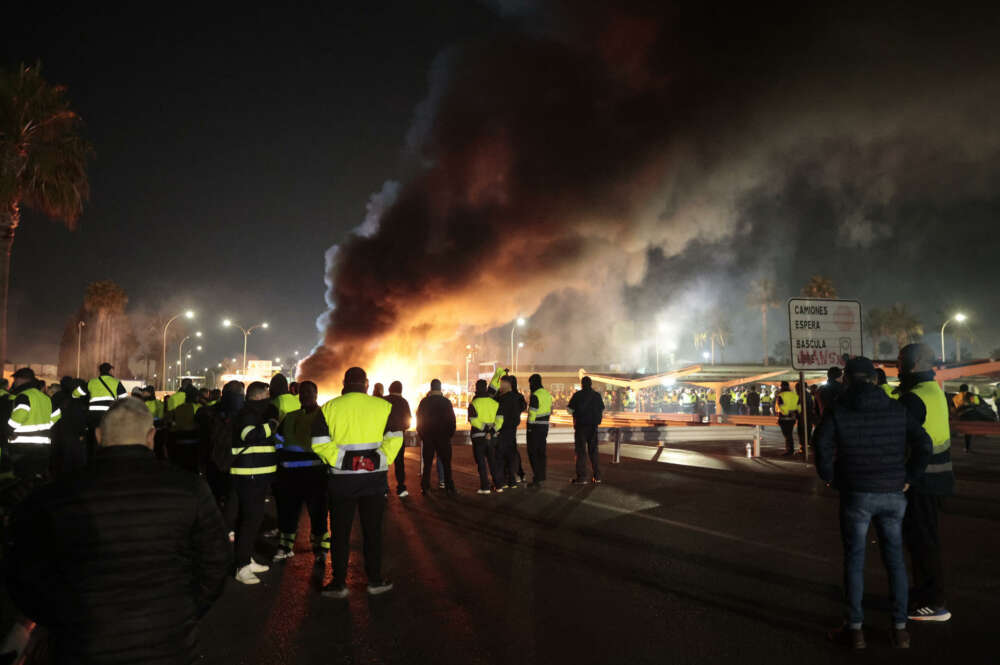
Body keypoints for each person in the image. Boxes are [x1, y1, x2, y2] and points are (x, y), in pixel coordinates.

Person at [6, 397, 229, 664]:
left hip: (85, 645)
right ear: (151, 436)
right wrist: (185, 609)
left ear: (99, 436)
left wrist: (63, 618)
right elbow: (217, 560)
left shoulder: (59, 494)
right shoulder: (190, 489)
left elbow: (24, 572)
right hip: (171, 644)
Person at [814, 357, 932, 650]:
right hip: (893, 493)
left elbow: (821, 444)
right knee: (895, 561)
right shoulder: (897, 408)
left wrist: (829, 477)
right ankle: (900, 630)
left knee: (854, 561)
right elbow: (924, 444)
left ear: (847, 379)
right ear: (874, 379)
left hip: (856, 493)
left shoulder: (838, 410)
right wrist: (909, 477)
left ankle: (855, 630)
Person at [311, 367, 402, 598]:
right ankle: (375, 580)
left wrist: (348, 462)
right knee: (372, 532)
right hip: (373, 481)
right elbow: (395, 438)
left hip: (341, 483)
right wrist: (371, 461)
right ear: (367, 383)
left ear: (344, 382)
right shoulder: (383, 407)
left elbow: (319, 443)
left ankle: (338, 583)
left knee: (340, 533)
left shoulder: (329, 407)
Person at [896, 343, 955, 622]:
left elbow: (900, 441)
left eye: (902, 359)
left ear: (917, 362)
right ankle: (924, 595)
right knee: (925, 540)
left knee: (922, 542)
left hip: (919, 482)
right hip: (936, 479)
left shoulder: (914, 398)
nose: (898, 365)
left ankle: (933, 603)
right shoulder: (934, 391)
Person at [226, 381, 277, 584]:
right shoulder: (248, 413)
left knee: (249, 519)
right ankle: (242, 567)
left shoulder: (253, 412)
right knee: (251, 519)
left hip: (255, 473)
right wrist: (271, 425)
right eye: (266, 395)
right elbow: (249, 435)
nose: (268, 399)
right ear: (257, 397)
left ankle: (245, 558)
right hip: (250, 474)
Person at [273, 381, 330, 563]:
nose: (305, 395)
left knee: (318, 513)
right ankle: (285, 547)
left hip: (315, 475)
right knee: (287, 513)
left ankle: (321, 548)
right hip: (290, 476)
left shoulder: (324, 416)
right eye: (302, 392)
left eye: (309, 392)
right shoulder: (289, 417)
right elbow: (278, 442)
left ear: (316, 394)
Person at [416, 379, 457, 494]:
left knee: (427, 464)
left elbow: (419, 420)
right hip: (443, 437)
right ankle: (449, 486)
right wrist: (449, 435)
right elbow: (452, 421)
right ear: (440, 388)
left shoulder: (424, 402)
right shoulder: (446, 402)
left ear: (431, 388)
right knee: (446, 464)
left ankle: (425, 487)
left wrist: (423, 435)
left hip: (428, 437)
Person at [567, 376, 604, 484]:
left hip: (581, 427)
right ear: (591, 384)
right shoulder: (597, 395)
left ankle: (582, 477)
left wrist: (575, 412)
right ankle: (597, 476)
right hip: (593, 427)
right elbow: (602, 408)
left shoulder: (577, 395)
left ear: (582, 384)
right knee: (594, 451)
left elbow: (569, 410)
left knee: (581, 452)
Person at [468, 379, 503, 494]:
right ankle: (498, 486)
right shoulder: (495, 403)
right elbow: (500, 420)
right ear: (486, 388)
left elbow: (473, 420)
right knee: (493, 462)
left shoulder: (474, 403)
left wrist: (484, 429)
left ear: (476, 388)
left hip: (479, 437)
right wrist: (491, 431)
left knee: (481, 463)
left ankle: (485, 487)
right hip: (492, 438)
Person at [50, 378, 89, 478]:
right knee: (73, 467)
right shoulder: (76, 400)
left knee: (57, 464)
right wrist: (82, 433)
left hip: (55, 436)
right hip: (72, 436)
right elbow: (79, 418)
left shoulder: (55, 397)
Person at [494, 375, 525, 489]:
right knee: (511, 455)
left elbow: (498, 413)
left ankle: (502, 482)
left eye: (502, 384)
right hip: (512, 430)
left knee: (500, 456)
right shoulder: (518, 397)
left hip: (502, 430)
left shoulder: (502, 398)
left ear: (507, 384)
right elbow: (522, 407)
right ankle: (512, 480)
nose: (500, 386)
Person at [383, 380, 412, 498]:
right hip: (398, 436)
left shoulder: (383, 400)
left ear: (389, 389)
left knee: (383, 462)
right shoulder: (404, 402)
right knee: (399, 462)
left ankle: (383, 488)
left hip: (383, 436)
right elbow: (408, 421)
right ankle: (401, 488)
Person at [526, 373, 552, 487]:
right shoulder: (547, 394)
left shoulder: (535, 395)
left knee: (533, 452)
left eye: (530, 383)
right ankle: (542, 475)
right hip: (544, 426)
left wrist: (530, 427)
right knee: (541, 452)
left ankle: (537, 477)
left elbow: (532, 412)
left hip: (535, 427)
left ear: (533, 383)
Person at [775, 381, 799, 456]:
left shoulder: (781, 395)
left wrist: (785, 413)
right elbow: (798, 406)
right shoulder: (794, 395)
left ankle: (790, 450)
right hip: (792, 417)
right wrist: (794, 413)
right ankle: (790, 449)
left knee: (787, 435)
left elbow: (780, 406)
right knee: (789, 434)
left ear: (782, 387)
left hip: (784, 418)